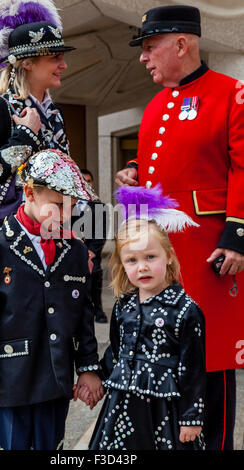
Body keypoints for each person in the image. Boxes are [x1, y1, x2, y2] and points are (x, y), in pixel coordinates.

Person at [115, 4, 244, 450]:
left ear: (182, 44)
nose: (143, 57)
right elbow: (163, 161)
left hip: (210, 249)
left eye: (150, 48)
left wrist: (237, 234)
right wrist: (133, 171)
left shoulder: (232, 93)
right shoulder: (153, 107)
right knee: (167, 355)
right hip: (163, 253)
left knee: (210, 356)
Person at [0, 148, 103, 450]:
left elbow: (83, 314)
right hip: (13, 377)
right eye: (58, 205)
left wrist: (89, 367)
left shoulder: (76, 250)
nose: (67, 215)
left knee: (52, 444)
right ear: (29, 193)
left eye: (72, 206)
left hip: (56, 375)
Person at [85, 185, 206, 450]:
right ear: (122, 264)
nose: (142, 267)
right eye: (132, 260)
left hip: (165, 410)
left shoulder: (186, 309)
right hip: (122, 406)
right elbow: (116, 352)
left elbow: (193, 369)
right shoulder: (123, 305)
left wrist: (191, 417)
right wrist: (95, 378)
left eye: (151, 257)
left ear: (169, 256)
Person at [0, 0, 76, 247]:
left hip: (50, 235)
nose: (63, 65)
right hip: (6, 240)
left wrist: (82, 243)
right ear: (27, 62)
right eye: (55, 58)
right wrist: (24, 136)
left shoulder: (54, 113)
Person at [72, 169, 108, 323]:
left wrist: (92, 251)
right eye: (83, 180)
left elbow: (101, 232)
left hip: (92, 253)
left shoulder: (99, 206)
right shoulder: (68, 204)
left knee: (94, 282)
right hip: (73, 252)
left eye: (89, 181)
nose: (86, 183)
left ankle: (98, 310)